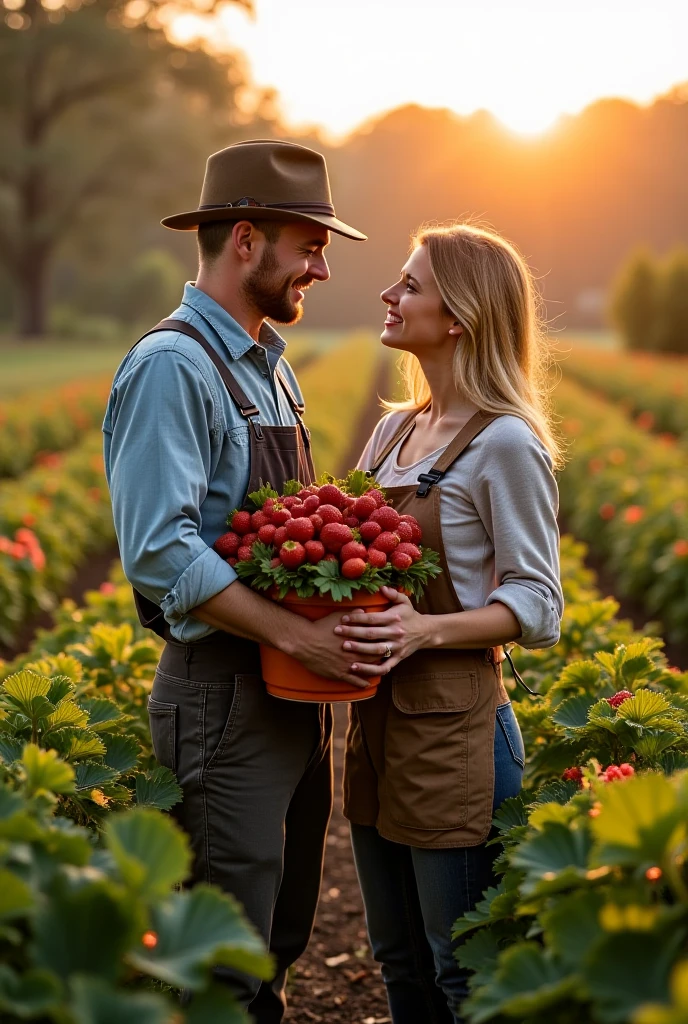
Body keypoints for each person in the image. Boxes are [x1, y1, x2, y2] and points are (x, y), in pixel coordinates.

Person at [102, 139, 374, 1023]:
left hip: (287, 692)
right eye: (311, 244)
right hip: (223, 694)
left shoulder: (269, 364)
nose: (323, 267)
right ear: (247, 240)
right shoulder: (173, 367)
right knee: (223, 965)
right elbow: (160, 550)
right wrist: (298, 634)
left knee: (277, 938)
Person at [337, 222, 564, 1024]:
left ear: (459, 315)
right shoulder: (394, 428)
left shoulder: (505, 442)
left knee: (462, 972)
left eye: (410, 285)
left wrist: (424, 632)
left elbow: (540, 605)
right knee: (398, 961)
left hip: (460, 728)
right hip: (379, 723)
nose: (389, 295)